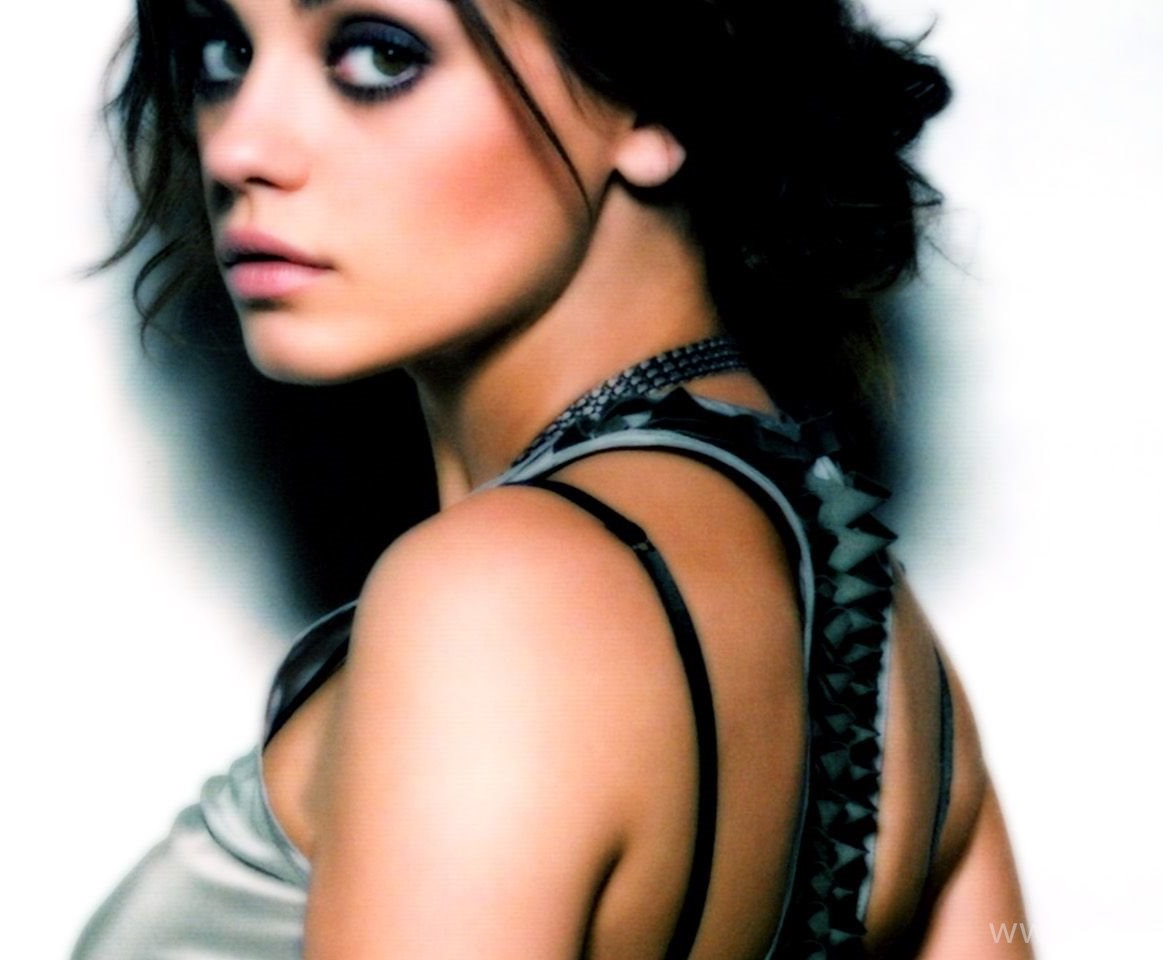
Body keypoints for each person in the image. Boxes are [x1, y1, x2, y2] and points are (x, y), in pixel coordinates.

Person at [73, 0, 1032, 956]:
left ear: (657, 98)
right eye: (225, 51)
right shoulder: (886, 646)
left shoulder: (491, 604)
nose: (239, 147)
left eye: (377, 57)